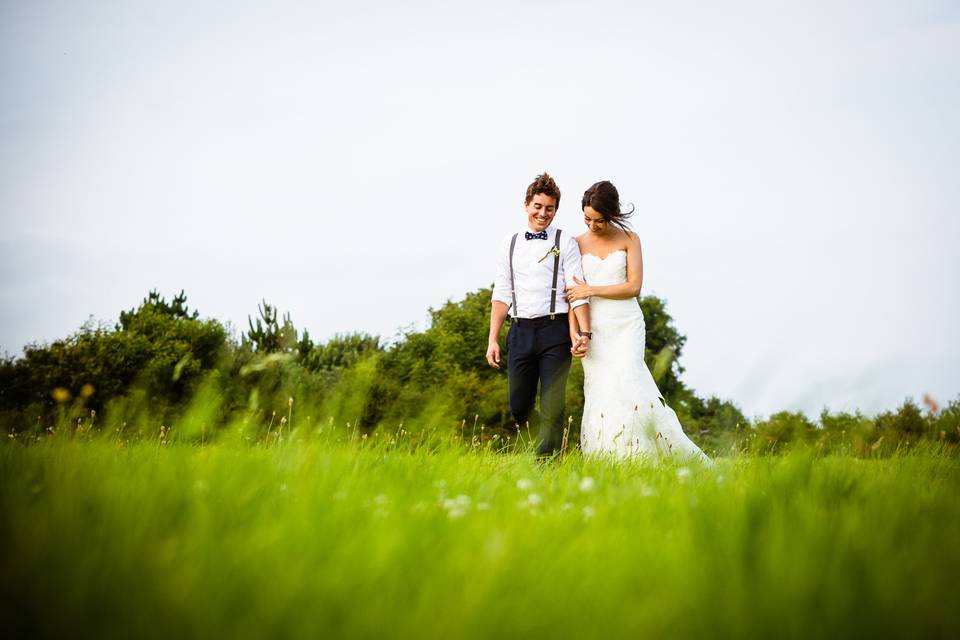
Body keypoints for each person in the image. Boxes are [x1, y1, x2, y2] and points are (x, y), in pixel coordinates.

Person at [565, 180, 710, 463]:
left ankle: (650, 455)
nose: (592, 225)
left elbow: (633, 287)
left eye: (599, 220)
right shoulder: (575, 244)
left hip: (626, 324)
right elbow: (573, 294)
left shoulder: (630, 239)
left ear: (612, 214)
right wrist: (575, 334)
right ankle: (610, 458)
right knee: (602, 393)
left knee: (631, 385)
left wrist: (591, 289)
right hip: (593, 330)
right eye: (587, 219)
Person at [486, 173, 592, 458]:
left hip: (554, 331)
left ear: (555, 209)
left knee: (552, 404)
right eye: (538, 206)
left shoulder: (565, 242)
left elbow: (576, 290)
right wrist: (492, 340)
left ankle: (547, 463)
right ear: (526, 205)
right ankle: (548, 439)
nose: (543, 213)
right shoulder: (509, 243)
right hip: (519, 331)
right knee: (518, 406)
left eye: (549, 208)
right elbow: (501, 293)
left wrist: (584, 333)